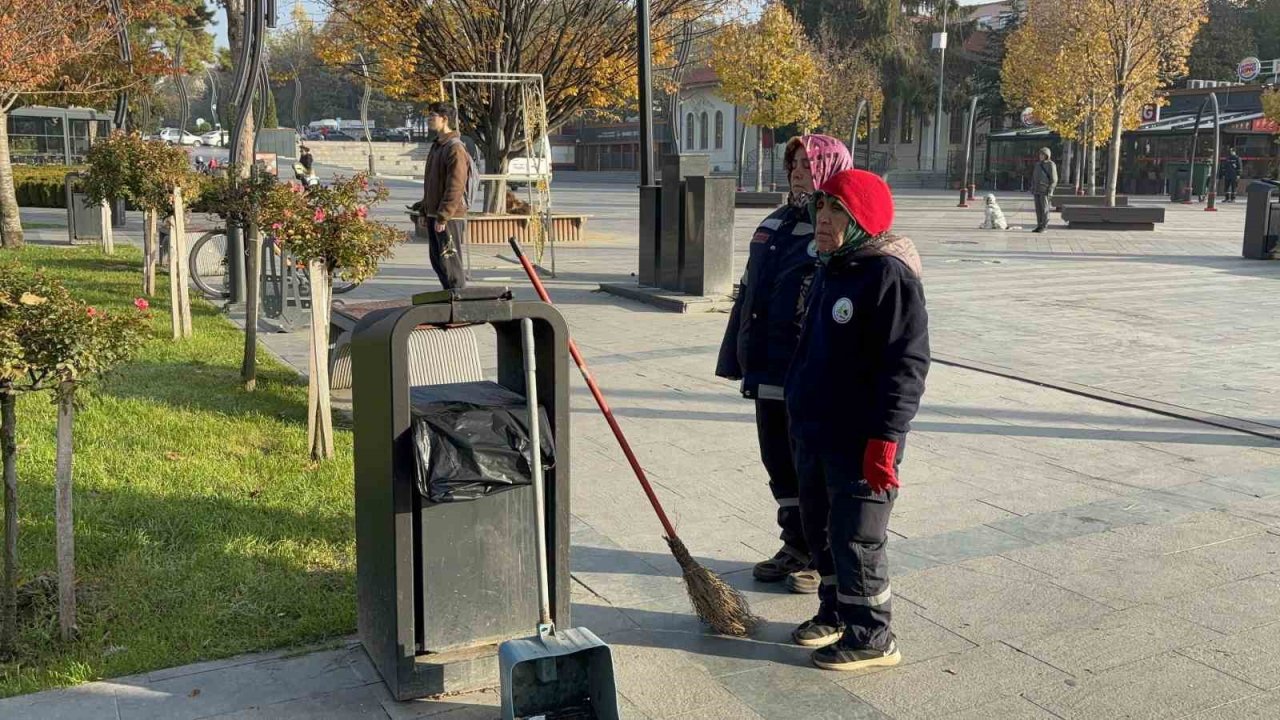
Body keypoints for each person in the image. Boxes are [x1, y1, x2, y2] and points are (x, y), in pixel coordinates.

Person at [784, 169, 929, 672]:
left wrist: (886, 439)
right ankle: (836, 612)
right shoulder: (833, 265)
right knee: (820, 528)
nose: (823, 220)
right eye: (820, 209)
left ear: (862, 218)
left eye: (837, 211)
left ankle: (873, 635)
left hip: (861, 438)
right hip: (816, 430)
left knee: (857, 535)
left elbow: (905, 365)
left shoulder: (888, 275)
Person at [717, 135, 852, 593]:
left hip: (808, 368)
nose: (797, 170)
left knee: (811, 463)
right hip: (767, 365)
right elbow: (749, 292)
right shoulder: (774, 222)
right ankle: (795, 542)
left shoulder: (837, 227)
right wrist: (737, 353)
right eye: (794, 163)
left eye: (808, 163)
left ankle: (822, 553)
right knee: (777, 459)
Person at [421, 101, 470, 289]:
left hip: (449, 216)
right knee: (438, 261)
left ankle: (459, 299)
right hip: (435, 214)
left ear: (445, 119)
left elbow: (455, 185)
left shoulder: (454, 147)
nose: (429, 120)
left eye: (432, 116)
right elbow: (430, 183)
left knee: (450, 262)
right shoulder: (438, 146)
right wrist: (426, 212)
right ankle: (449, 296)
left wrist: (444, 215)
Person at [1031, 147, 1057, 233]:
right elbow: (1034, 177)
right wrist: (1032, 187)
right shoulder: (1037, 164)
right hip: (1037, 190)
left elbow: (1054, 179)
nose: (1040, 156)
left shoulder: (1051, 164)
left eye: (1042, 154)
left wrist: (1050, 189)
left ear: (1047, 155)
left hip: (1045, 190)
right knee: (1038, 209)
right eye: (1040, 154)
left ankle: (1044, 226)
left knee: (1045, 209)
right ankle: (1039, 225)